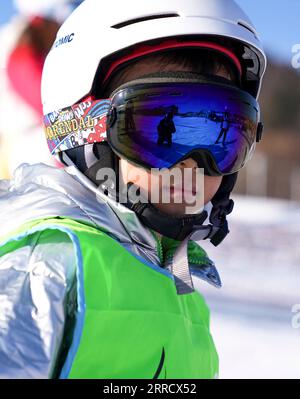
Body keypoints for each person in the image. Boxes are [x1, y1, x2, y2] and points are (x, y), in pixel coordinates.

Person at [0, 0, 266, 379]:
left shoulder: (180, 282)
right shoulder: (47, 270)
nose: (193, 162)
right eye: (161, 131)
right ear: (83, 130)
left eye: (221, 134)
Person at [0, 0, 83, 179]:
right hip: (28, 161)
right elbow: (53, 115)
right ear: (41, 20)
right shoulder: (22, 58)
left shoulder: (47, 50)